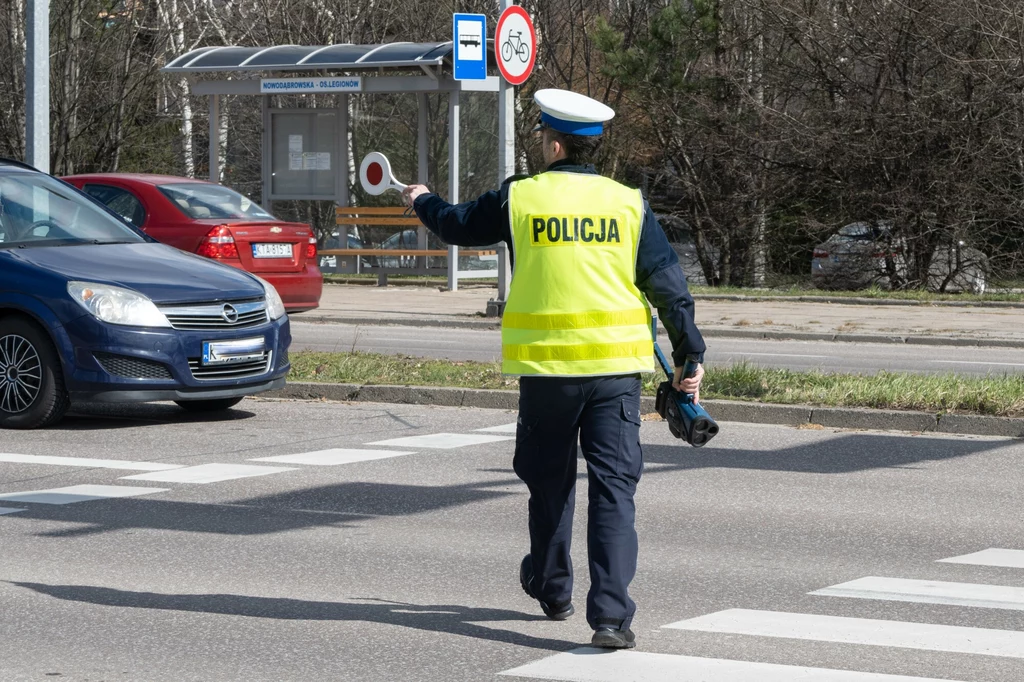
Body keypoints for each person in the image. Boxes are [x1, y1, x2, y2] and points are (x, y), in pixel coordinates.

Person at [402, 88, 706, 650]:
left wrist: (422, 199)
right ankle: (611, 619)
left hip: (545, 374)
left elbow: (455, 224)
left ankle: (553, 588)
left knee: (549, 485)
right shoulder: (627, 203)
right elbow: (670, 288)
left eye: (543, 136)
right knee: (614, 490)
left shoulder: (521, 198)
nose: (542, 143)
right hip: (616, 376)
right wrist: (691, 358)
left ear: (556, 142)